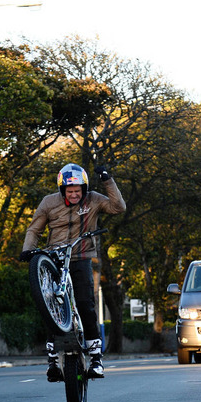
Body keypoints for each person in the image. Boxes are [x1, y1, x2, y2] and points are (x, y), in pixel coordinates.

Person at [20, 163, 125, 382]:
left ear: (84, 189)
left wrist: (108, 181)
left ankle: (96, 359)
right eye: (70, 191)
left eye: (78, 190)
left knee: (86, 304)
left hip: (81, 256)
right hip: (53, 258)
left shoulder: (94, 199)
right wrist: (28, 251)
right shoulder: (48, 203)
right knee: (50, 305)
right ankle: (52, 361)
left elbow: (118, 208)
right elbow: (34, 229)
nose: (75, 194)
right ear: (62, 190)